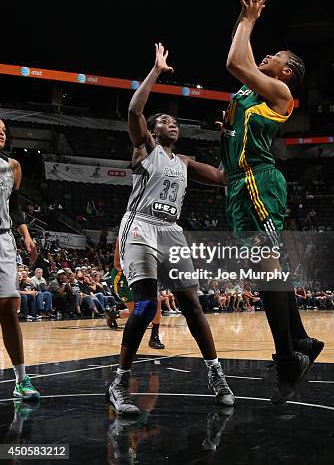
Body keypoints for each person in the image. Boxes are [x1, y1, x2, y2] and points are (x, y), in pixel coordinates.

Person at [106, 43, 234, 415]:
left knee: (193, 304)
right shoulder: (145, 150)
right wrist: (157, 71)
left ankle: (217, 374)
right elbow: (134, 110)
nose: (171, 124)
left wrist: (227, 137)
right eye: (163, 121)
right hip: (141, 227)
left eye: (174, 122)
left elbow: (225, 178)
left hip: (171, 231)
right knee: (145, 306)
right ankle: (120, 384)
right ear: (153, 130)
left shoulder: (185, 162)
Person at [220, 0, 323, 403]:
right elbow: (239, 52)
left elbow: (234, 61)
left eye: (275, 56)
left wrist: (249, 17)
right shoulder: (251, 89)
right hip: (239, 185)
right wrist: (245, 22)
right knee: (266, 271)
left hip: (260, 181)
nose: (265, 55)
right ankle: (300, 342)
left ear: (287, 72)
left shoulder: (279, 92)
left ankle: (287, 356)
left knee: (265, 270)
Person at [0, 120, 40, 400]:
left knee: (8, 307)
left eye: (3, 130)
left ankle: (21, 379)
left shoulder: (12, 166)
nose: (1, 133)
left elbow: (13, 206)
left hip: (2, 237)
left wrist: (25, 234)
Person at [106, 238, 165, 350]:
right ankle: (114, 314)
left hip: (143, 273)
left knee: (156, 302)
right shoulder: (124, 235)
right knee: (138, 312)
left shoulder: (151, 236)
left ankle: (154, 336)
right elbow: (118, 264)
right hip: (123, 277)